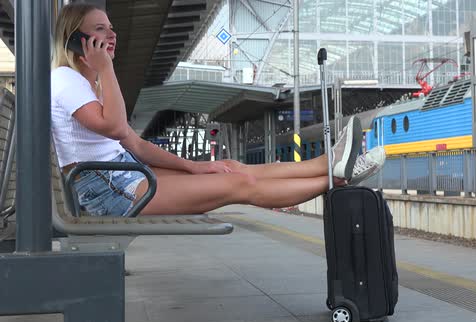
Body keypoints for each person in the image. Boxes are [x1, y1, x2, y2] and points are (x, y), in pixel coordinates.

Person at [51, 3, 385, 216]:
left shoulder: (87, 83)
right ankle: (337, 175)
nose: (111, 34)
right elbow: (114, 127)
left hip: (123, 174)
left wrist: (196, 168)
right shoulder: (66, 80)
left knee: (229, 167)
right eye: (100, 29)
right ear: (76, 41)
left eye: (111, 27)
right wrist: (107, 69)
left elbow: (135, 145)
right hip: (110, 190)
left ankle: (329, 162)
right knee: (237, 186)